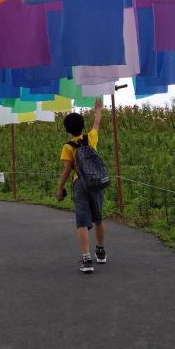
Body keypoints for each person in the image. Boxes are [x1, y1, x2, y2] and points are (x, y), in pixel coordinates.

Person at [56, 99, 105, 273]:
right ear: (83, 125)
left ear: (67, 129)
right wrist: (98, 108)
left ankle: (86, 259)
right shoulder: (90, 137)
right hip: (96, 181)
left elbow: (68, 169)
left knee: (82, 222)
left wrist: (60, 188)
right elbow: (97, 122)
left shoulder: (68, 147)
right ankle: (100, 251)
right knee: (98, 219)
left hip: (80, 183)